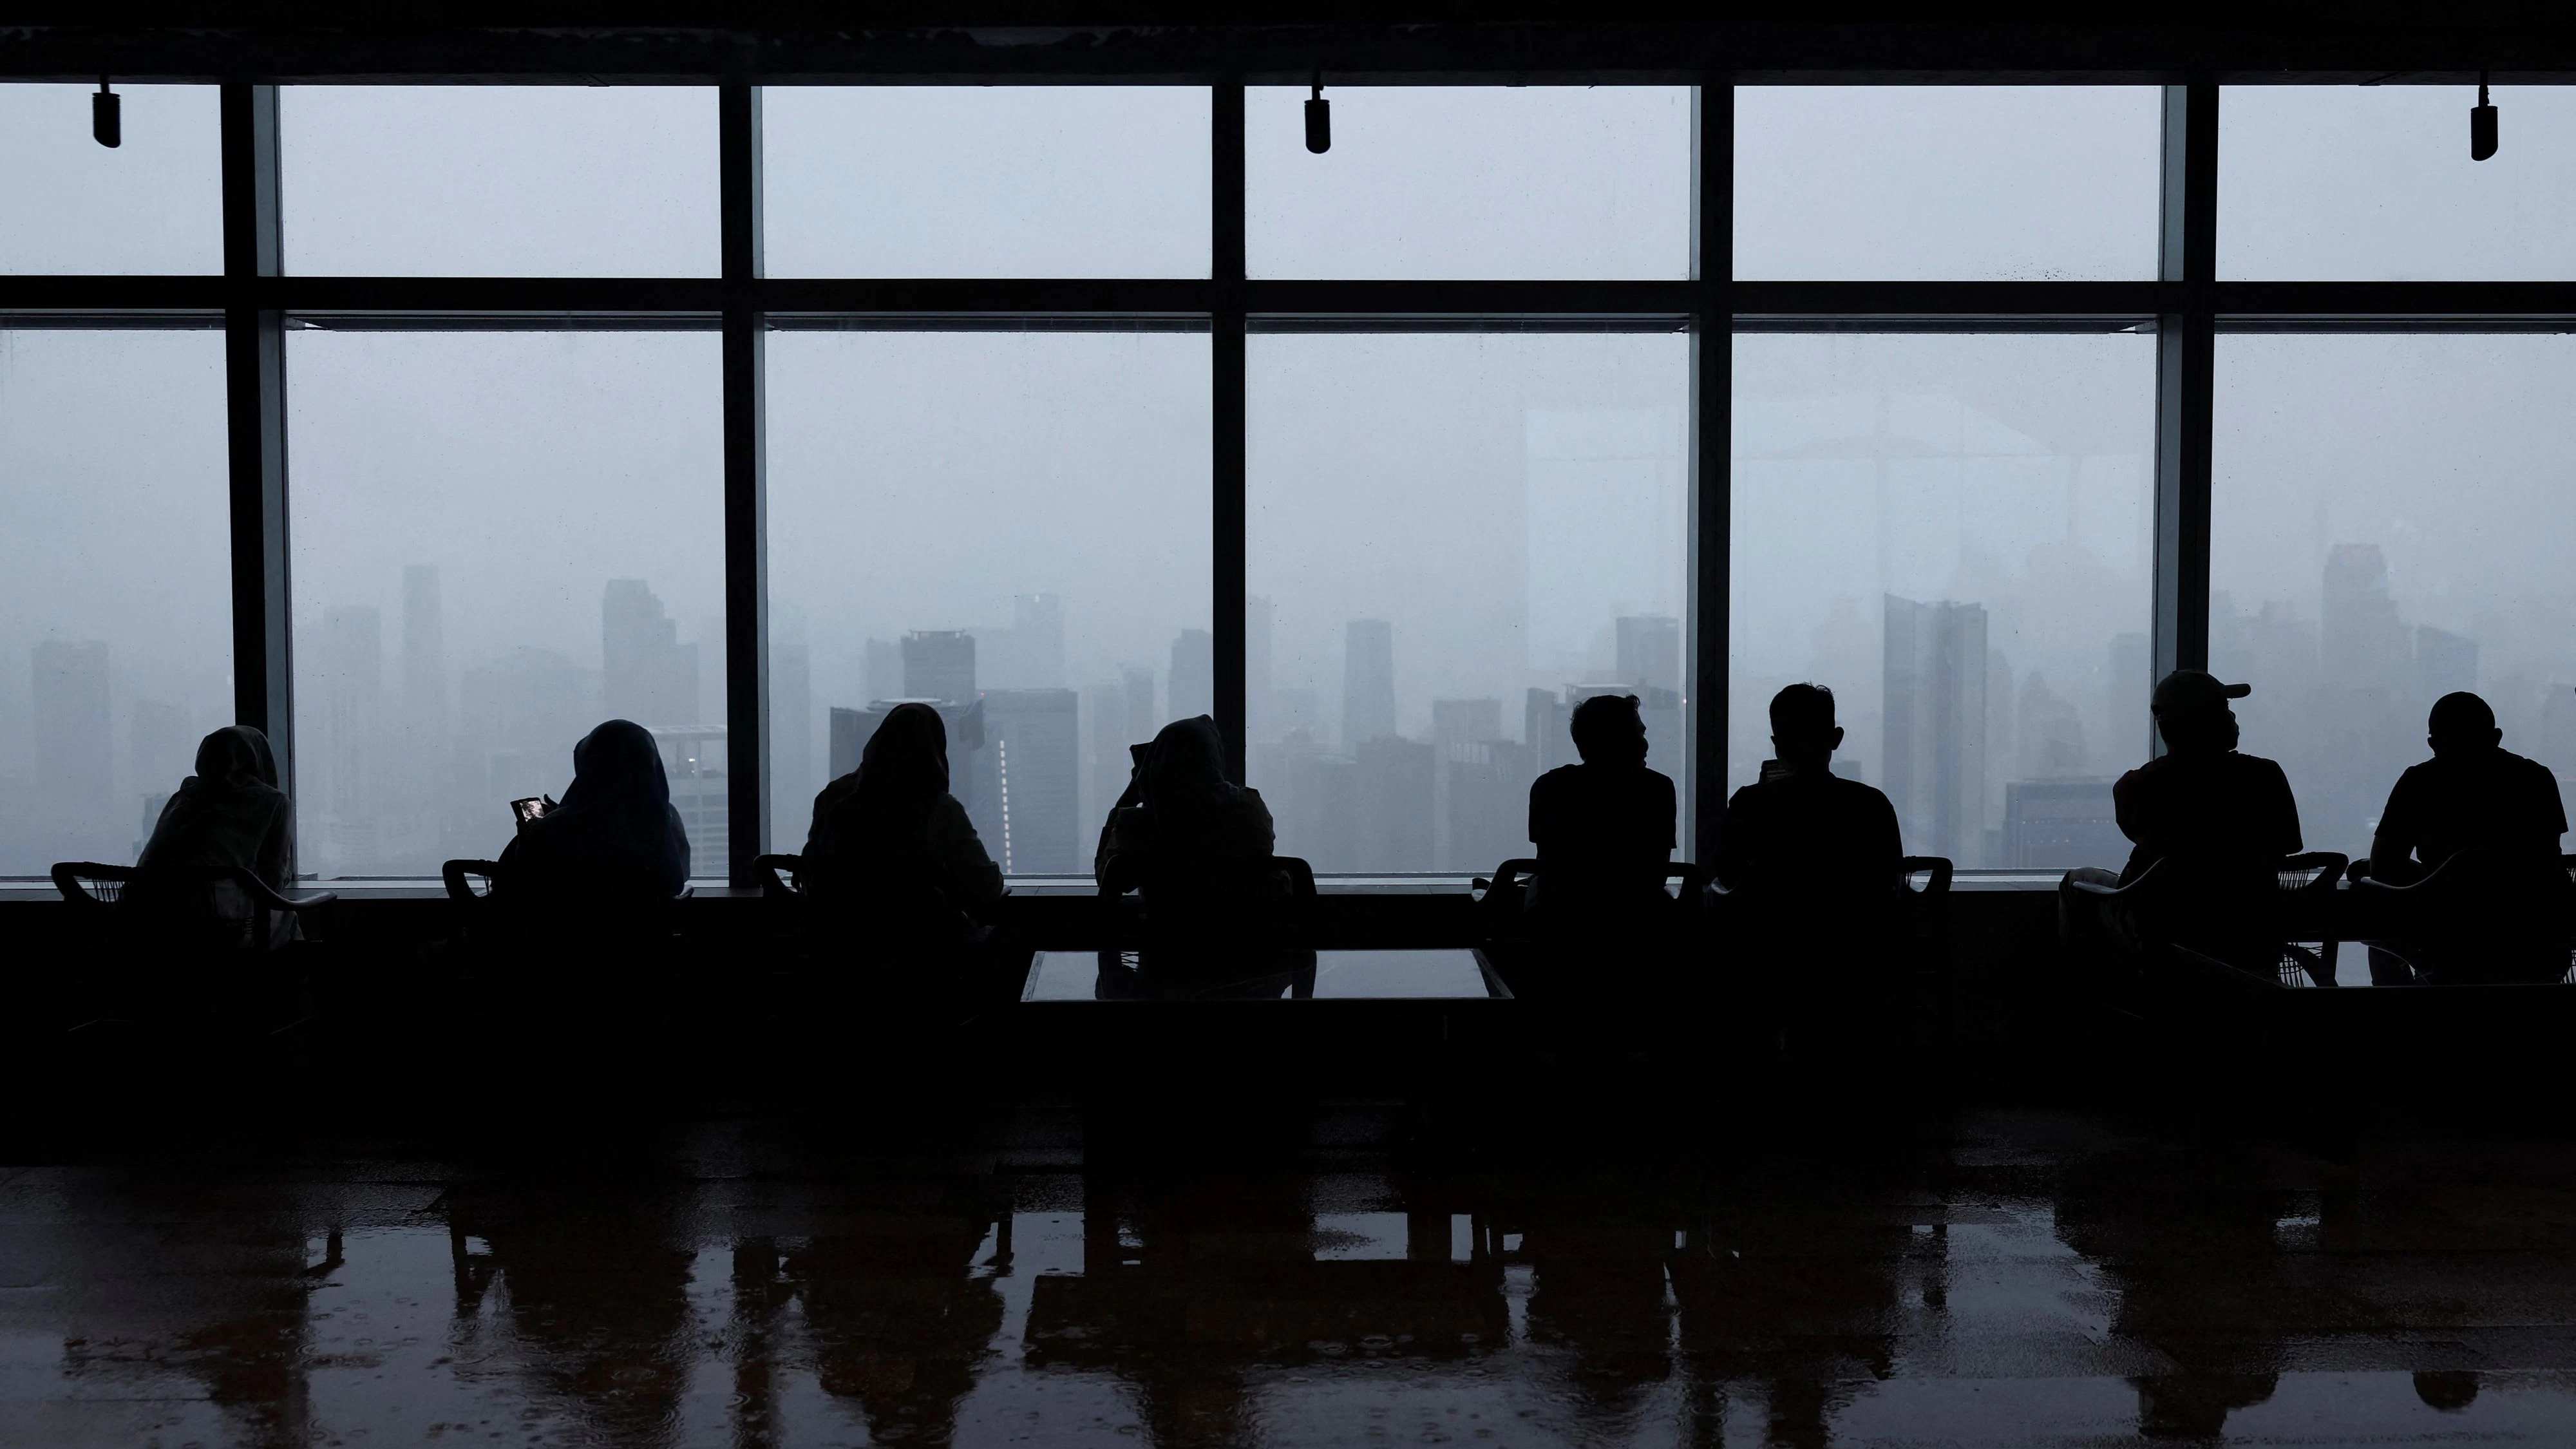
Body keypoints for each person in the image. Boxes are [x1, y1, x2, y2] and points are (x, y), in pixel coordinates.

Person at [2110, 670, 2302, 943]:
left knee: (2077, 882)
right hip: (2253, 934)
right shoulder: (2266, 776)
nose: (2232, 716)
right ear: (2205, 722)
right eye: (2223, 708)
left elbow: (2151, 846)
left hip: (2164, 932)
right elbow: (2288, 844)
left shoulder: (2136, 786)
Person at [801, 701, 1005, 949]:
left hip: (835, 942)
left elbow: (812, 868)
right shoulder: (939, 808)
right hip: (919, 946)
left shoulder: (833, 796)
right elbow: (986, 885)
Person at [1094, 715, 1287, 942]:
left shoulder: (1139, 827)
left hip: (1168, 955)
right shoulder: (1249, 809)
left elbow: (1106, 877)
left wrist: (1130, 799)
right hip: (1254, 947)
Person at [1714, 683, 1902, 900]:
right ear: (1836, 738)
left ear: (1777, 745)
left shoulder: (1749, 805)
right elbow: (1890, 880)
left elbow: (1728, 877)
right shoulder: (1872, 805)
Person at [2366, 691, 2566, 887]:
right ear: (2497, 737)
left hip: (2441, 906)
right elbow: (2549, 862)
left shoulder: (2417, 782)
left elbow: (2384, 865)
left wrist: (2437, 878)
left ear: (2433, 744)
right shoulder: (2536, 777)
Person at [128, 724, 295, 949]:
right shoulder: (273, 802)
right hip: (220, 925)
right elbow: (272, 882)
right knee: (290, 921)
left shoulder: (184, 798)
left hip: (147, 921)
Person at [496, 718, 689, 910]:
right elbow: (675, 882)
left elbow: (517, 885)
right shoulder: (664, 821)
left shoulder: (551, 830)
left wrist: (536, 831)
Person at [1524, 694, 1678, 927]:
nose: (1645, 745)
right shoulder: (1657, 788)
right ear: (1618, 740)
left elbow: (1548, 862)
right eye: (1638, 734)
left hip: (1560, 917)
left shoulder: (1549, 786)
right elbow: (1657, 871)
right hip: (1637, 918)